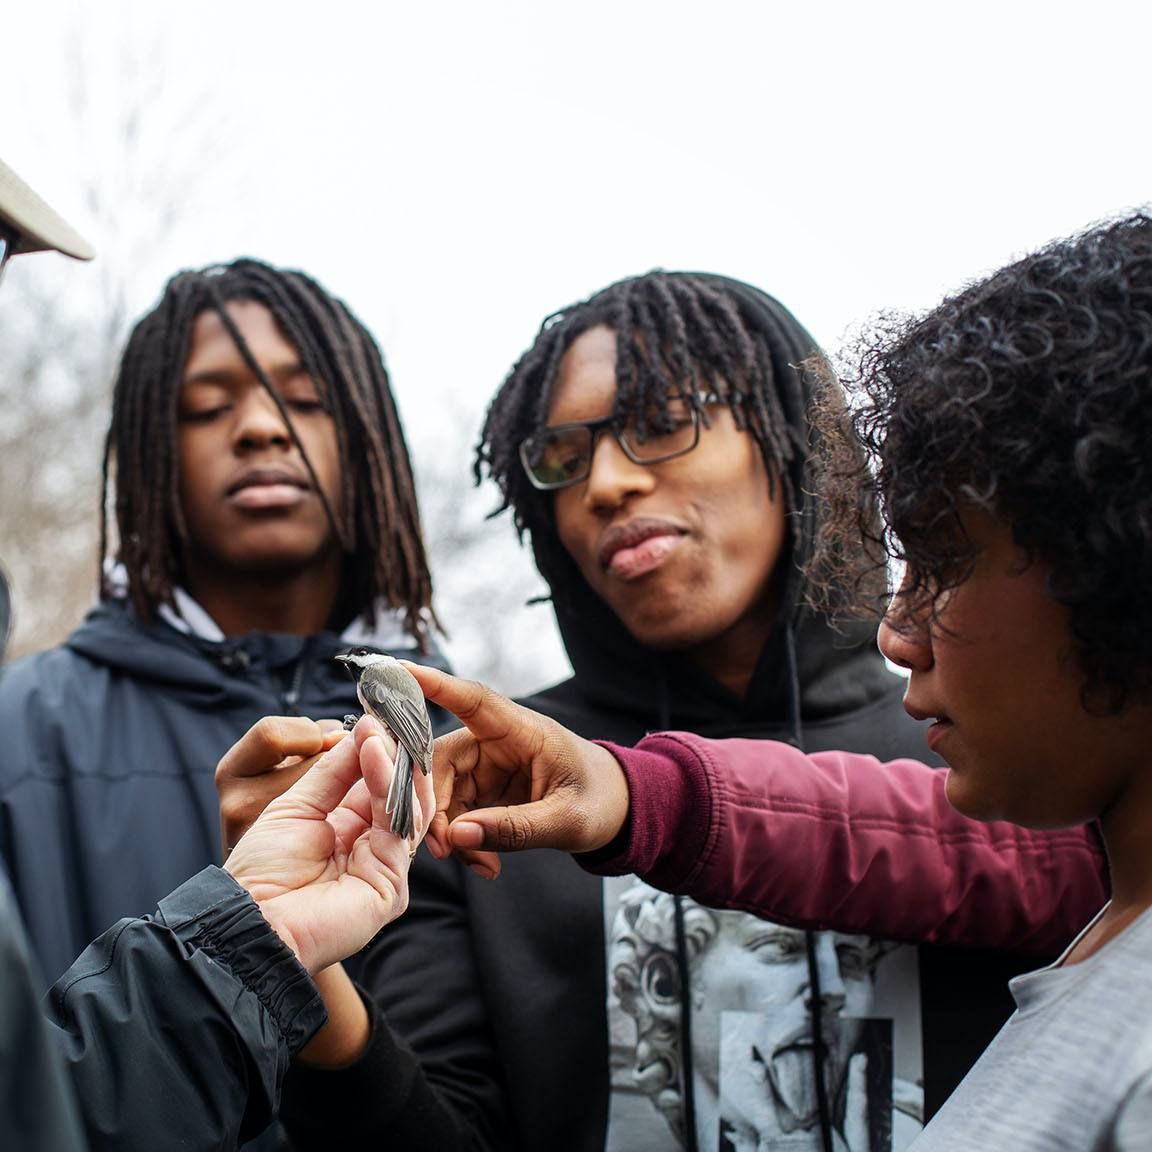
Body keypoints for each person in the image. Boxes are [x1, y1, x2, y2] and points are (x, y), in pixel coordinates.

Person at [226, 272, 1104, 1152]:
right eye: (564, 458)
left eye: (658, 424)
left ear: (794, 439)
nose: (604, 485)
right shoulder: (479, 790)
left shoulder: (994, 755)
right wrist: (305, 966)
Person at [0, 154, 433, 1152]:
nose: (258, 429)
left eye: (305, 398)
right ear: (151, 451)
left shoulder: (470, 728)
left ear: (370, 438)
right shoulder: (25, 729)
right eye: (207, 406)